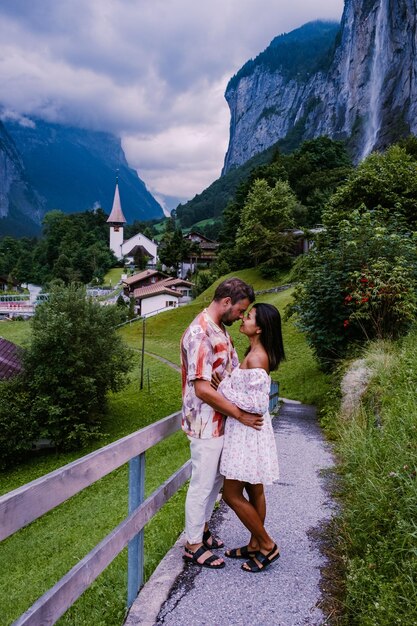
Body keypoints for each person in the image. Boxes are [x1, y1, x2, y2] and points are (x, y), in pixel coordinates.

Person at [181, 277, 263, 570]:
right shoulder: (200, 332)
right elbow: (202, 388)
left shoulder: (219, 330)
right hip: (205, 423)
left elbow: (224, 375)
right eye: (240, 310)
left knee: (214, 482)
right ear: (227, 302)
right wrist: (240, 414)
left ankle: (201, 530)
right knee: (202, 485)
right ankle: (192, 545)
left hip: (221, 420)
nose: (241, 316)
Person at [217, 303, 285, 573]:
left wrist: (222, 388)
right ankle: (255, 544)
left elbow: (258, 404)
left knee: (231, 494)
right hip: (251, 431)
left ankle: (267, 545)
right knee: (254, 489)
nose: (243, 319)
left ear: (259, 328)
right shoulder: (254, 352)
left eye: (249, 316)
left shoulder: (257, 357)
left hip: (248, 432)